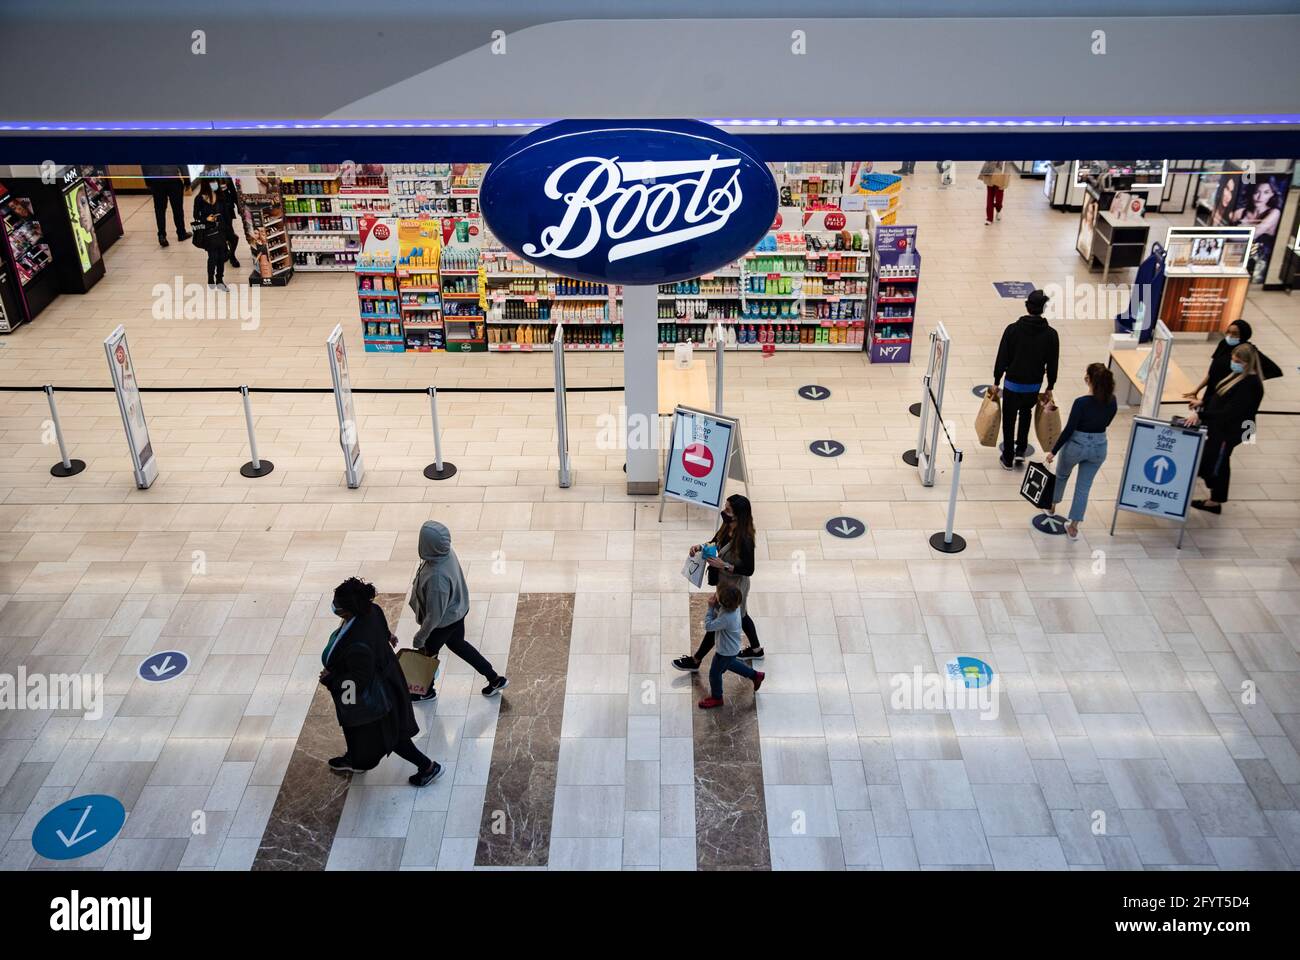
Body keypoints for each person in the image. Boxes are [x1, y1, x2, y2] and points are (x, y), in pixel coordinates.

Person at [320, 577, 443, 786]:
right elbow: (380, 624)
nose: (334, 607)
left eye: (337, 604)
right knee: (357, 726)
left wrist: (332, 680)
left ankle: (428, 767)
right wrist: (387, 635)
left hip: (376, 696)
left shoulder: (357, 643)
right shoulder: (371, 610)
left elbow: (359, 679)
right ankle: (357, 759)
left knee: (391, 735)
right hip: (385, 682)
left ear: (348, 610)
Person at [409, 521, 508, 700]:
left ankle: (426, 691)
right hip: (457, 612)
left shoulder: (436, 578)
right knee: (457, 644)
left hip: (443, 622)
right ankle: (494, 679)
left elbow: (434, 616)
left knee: (427, 654)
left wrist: (420, 637)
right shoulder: (446, 553)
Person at [672, 493, 763, 672]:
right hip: (724, 583)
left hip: (735, 587)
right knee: (742, 615)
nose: (724, 511)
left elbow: (749, 569)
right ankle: (756, 650)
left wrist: (725, 565)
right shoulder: (727, 525)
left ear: (738, 514)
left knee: (719, 620)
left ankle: (696, 659)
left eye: (728, 510)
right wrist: (701, 547)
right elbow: (716, 542)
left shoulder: (745, 539)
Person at [1185, 342, 1265, 515]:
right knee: (1215, 458)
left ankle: (1215, 501)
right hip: (1222, 427)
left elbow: (1230, 412)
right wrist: (1203, 402)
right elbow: (1221, 394)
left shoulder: (1251, 385)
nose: (1233, 363)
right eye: (1233, 359)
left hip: (1232, 430)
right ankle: (1212, 488)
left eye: (1237, 361)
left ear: (1247, 362)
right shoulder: (1237, 375)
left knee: (1219, 462)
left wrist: (1201, 415)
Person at [1043, 363, 1117, 541]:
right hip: (1099, 447)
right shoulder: (1112, 400)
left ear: (1089, 380)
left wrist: (1053, 451)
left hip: (1076, 445)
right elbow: (1107, 423)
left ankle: (1052, 506)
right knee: (1083, 488)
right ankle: (1073, 527)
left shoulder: (1081, 402)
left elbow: (1069, 429)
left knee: (1062, 476)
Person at [993, 289, 1059, 470]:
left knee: (1009, 418)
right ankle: (1021, 450)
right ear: (1043, 308)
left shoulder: (1012, 330)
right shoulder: (1051, 335)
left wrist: (997, 379)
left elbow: (1002, 357)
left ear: (1027, 306)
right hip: (1033, 385)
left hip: (1012, 384)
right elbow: (1053, 363)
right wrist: (1050, 385)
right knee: (1026, 413)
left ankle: (1007, 457)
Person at [696, 583, 764, 710]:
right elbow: (722, 610)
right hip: (731, 649)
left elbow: (709, 626)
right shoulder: (735, 608)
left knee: (714, 674)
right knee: (731, 664)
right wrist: (717, 603)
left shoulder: (726, 618)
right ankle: (755, 676)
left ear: (723, 603)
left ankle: (717, 698)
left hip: (724, 651)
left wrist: (710, 608)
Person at [1184, 319, 1282, 401]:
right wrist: (1197, 389)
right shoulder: (1224, 344)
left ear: (1243, 335)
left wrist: (1248, 380)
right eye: (1228, 332)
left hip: (1228, 392)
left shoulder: (1248, 351)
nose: (1230, 336)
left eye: (1235, 334)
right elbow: (1212, 372)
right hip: (1212, 389)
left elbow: (1274, 371)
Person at [201, 164, 242, 268]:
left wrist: (239, 206)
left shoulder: (224, 173)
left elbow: (232, 191)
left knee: (229, 232)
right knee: (219, 233)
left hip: (226, 209)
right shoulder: (205, 175)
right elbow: (203, 195)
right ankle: (225, 252)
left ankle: (231, 255)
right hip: (213, 210)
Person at [192, 178, 229, 291]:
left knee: (222, 256)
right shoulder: (199, 199)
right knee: (213, 257)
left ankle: (220, 279)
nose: (214, 184)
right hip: (208, 232)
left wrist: (228, 231)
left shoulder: (220, 196)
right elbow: (196, 215)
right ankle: (210, 279)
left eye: (215, 182)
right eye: (212, 182)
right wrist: (206, 218)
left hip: (221, 230)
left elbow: (226, 214)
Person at [140, 164, 190, 247]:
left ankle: (162, 235)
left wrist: (147, 181)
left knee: (160, 210)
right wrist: (187, 180)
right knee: (177, 208)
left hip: (156, 182)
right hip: (173, 180)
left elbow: (144, 165)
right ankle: (181, 233)